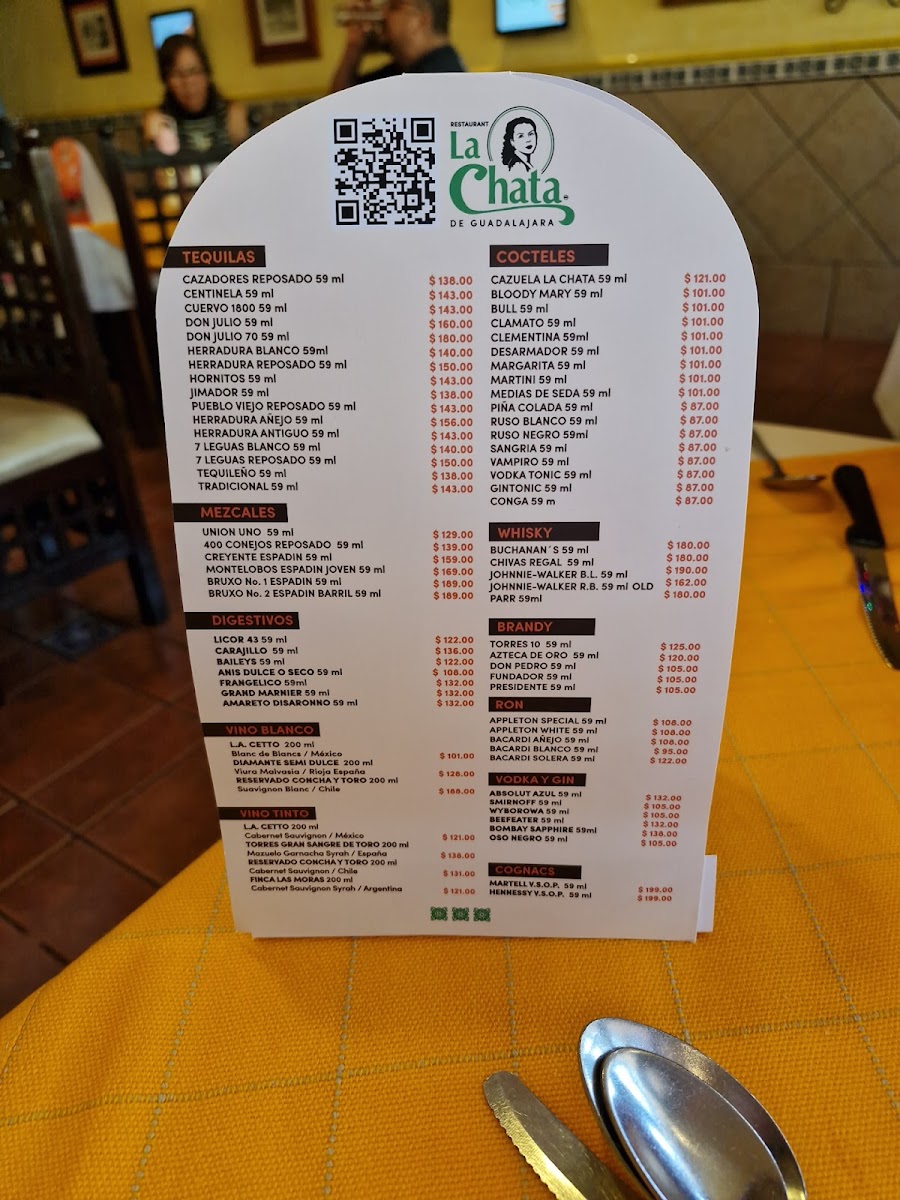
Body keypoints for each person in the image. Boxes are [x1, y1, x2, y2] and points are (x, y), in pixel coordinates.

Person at [143, 35, 248, 155]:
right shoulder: (159, 121)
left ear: (207, 74)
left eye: (194, 71)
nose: (188, 82)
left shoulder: (232, 114)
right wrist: (153, 140)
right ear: (166, 81)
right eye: (177, 74)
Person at [330, 0, 464, 93]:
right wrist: (354, 45)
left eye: (393, 7)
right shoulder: (409, 68)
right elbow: (337, 105)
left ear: (420, 21)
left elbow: (343, 114)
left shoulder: (436, 79)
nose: (383, 14)